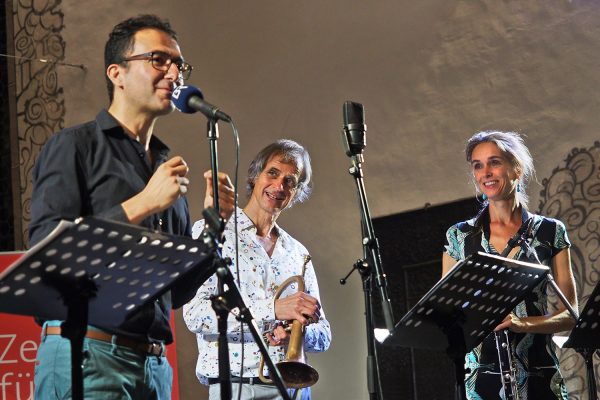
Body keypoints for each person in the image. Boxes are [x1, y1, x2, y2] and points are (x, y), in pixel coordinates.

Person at [29, 14, 234, 399]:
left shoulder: (165, 167)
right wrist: (141, 204)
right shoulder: (74, 147)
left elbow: (175, 293)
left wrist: (212, 227)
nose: (174, 72)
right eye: (158, 59)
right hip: (87, 355)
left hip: (153, 367)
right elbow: (46, 257)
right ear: (116, 74)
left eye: (179, 64)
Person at [183, 139, 332, 400]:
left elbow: (325, 335)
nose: (279, 186)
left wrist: (296, 332)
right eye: (273, 173)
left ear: (296, 192)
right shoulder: (212, 232)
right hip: (237, 387)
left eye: (290, 181)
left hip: (295, 390)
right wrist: (272, 310)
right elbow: (196, 315)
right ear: (255, 176)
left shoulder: (298, 252)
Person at [442, 131, 577, 399]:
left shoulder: (550, 231)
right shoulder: (458, 236)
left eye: (495, 162)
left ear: (517, 169)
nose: (486, 173)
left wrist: (523, 324)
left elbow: (569, 315)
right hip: (482, 377)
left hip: (540, 373)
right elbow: (448, 310)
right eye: (478, 165)